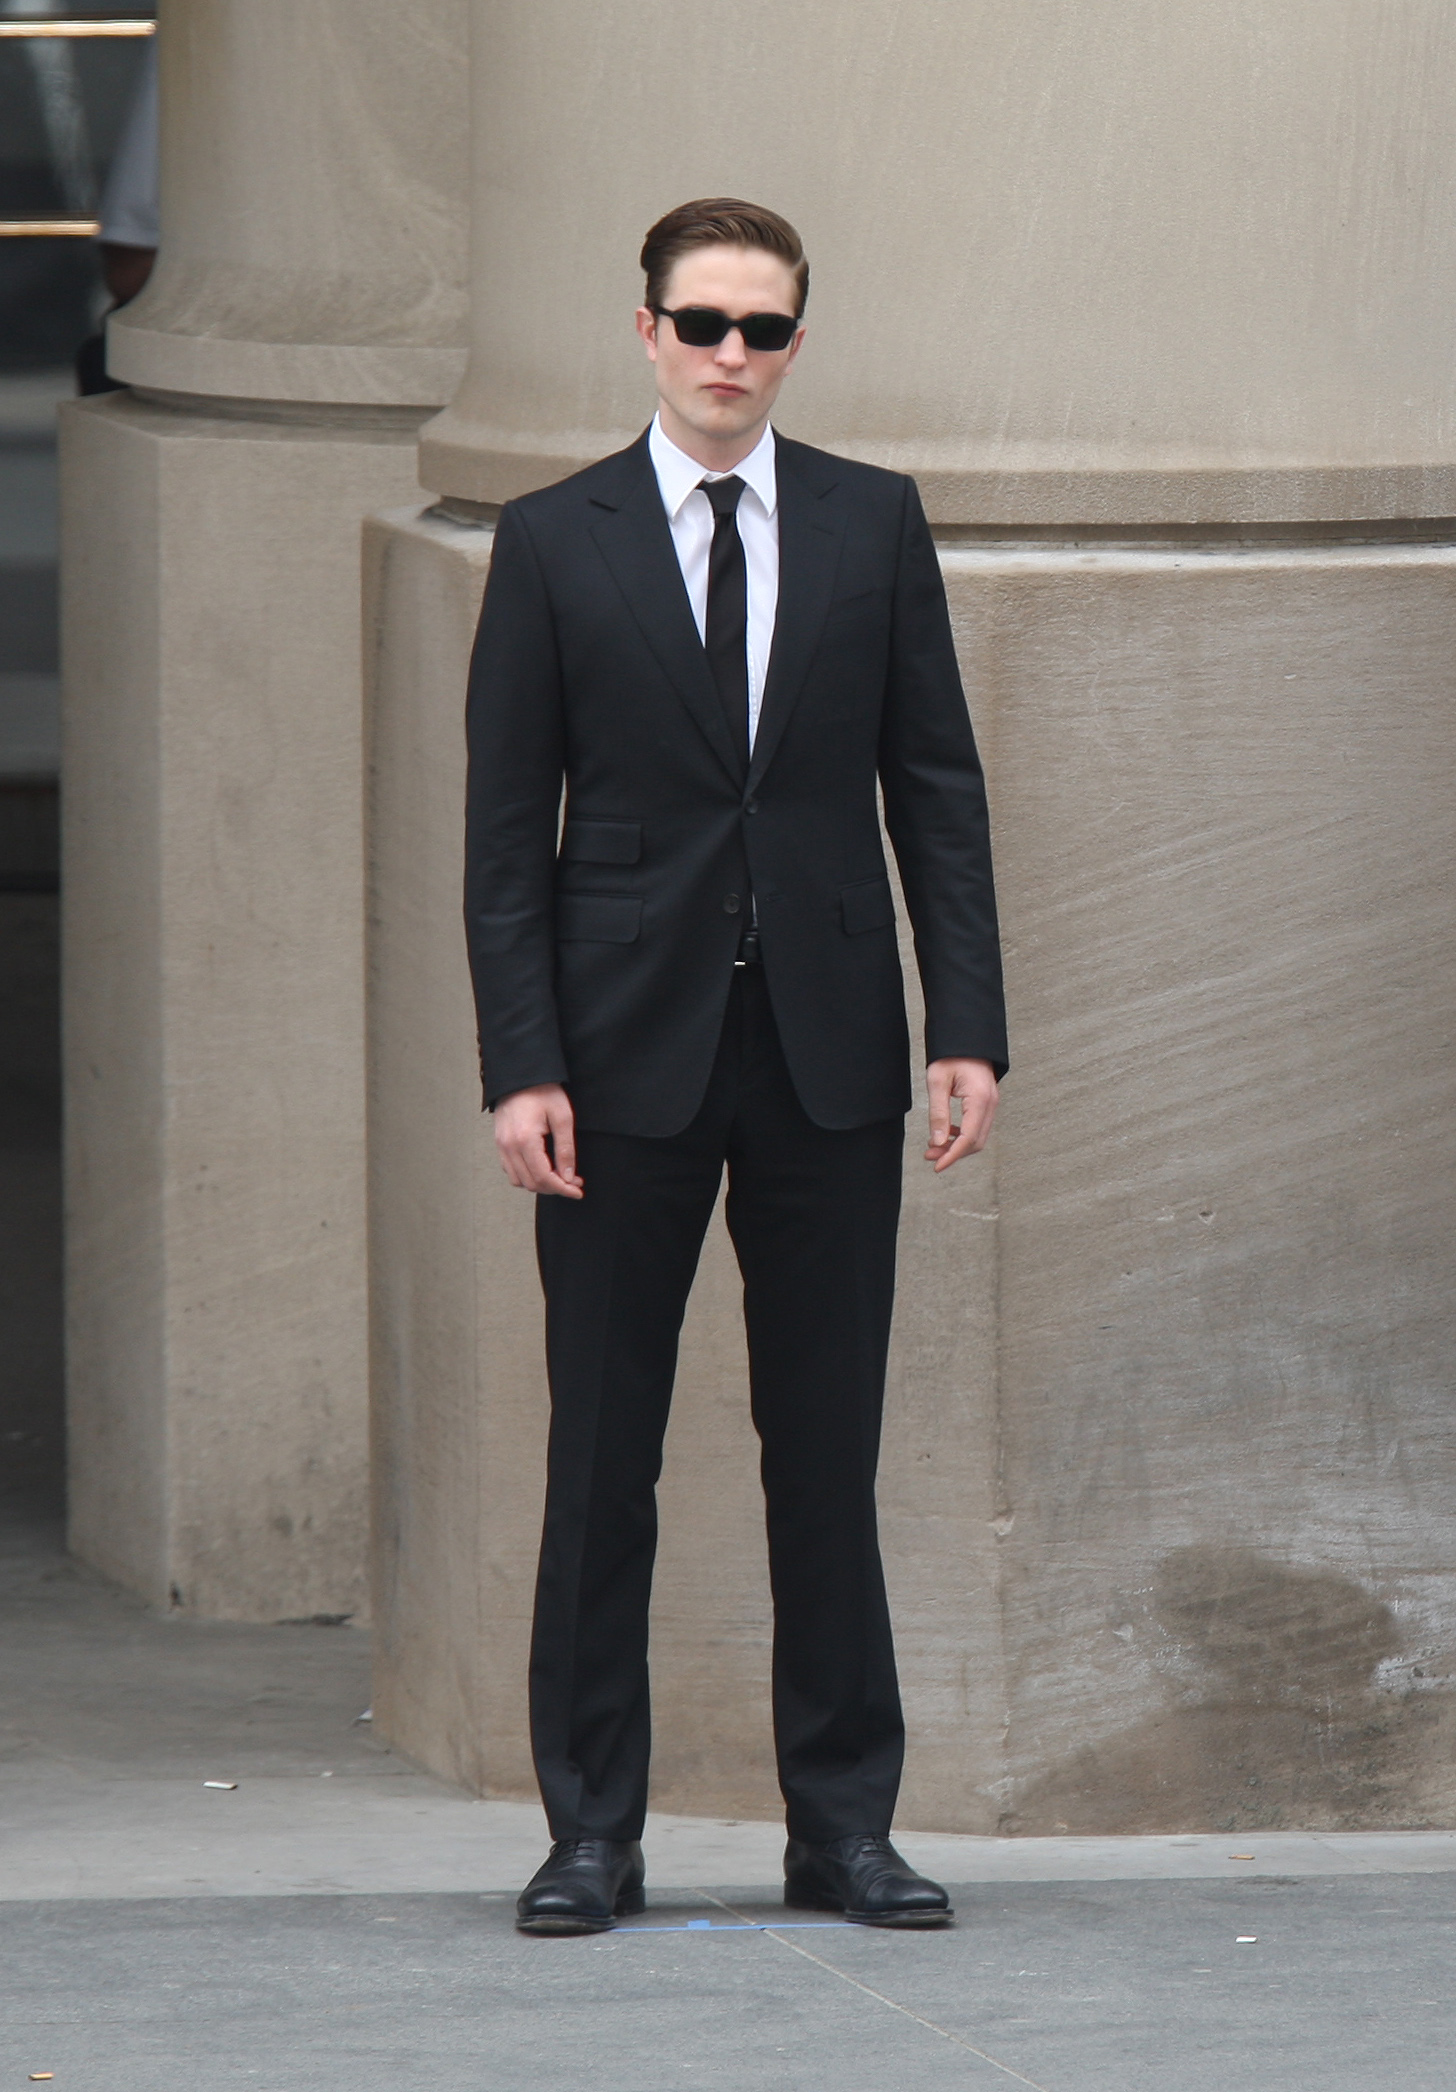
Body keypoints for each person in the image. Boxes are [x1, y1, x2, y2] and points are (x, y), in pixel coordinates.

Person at [464, 198, 1007, 1936]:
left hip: (829, 1058)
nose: (728, 355)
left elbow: (936, 789)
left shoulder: (871, 521)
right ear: (646, 330)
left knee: (825, 1454)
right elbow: (505, 834)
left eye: (761, 329)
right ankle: (591, 1834)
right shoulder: (555, 540)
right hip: (616, 1063)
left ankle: (842, 1828)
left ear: (795, 344)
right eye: (700, 322)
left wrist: (968, 1024)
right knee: (600, 1455)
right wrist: (521, 1062)